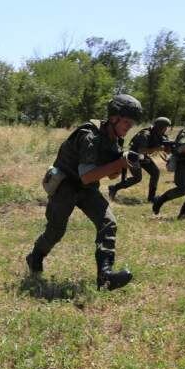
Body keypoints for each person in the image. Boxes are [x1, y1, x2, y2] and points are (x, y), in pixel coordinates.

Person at [25, 94, 142, 290]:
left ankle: (105, 276)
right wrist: (119, 163)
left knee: (108, 223)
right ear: (113, 118)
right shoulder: (90, 136)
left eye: (132, 124)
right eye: (126, 122)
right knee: (55, 232)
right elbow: (87, 175)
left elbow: (110, 176)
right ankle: (35, 257)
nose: (129, 127)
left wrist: (126, 164)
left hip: (87, 189)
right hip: (66, 185)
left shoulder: (115, 139)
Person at [108, 116, 172, 204]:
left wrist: (168, 149)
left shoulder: (160, 135)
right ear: (160, 127)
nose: (166, 129)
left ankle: (151, 197)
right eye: (165, 127)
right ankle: (114, 188)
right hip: (133, 156)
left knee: (155, 172)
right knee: (137, 178)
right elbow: (141, 150)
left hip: (143, 157)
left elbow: (166, 148)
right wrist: (157, 148)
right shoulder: (145, 134)